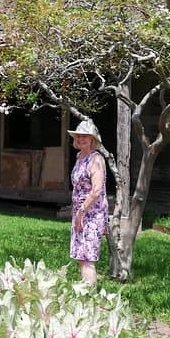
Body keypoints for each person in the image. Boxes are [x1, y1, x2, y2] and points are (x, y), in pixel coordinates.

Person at [67, 119, 108, 285]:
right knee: (81, 256)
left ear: (93, 139)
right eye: (78, 136)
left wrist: (82, 211)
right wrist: (77, 213)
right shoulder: (79, 157)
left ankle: (90, 298)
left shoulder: (95, 159)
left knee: (88, 257)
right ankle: (85, 295)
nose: (81, 139)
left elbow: (97, 190)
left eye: (85, 136)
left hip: (91, 213)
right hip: (79, 213)